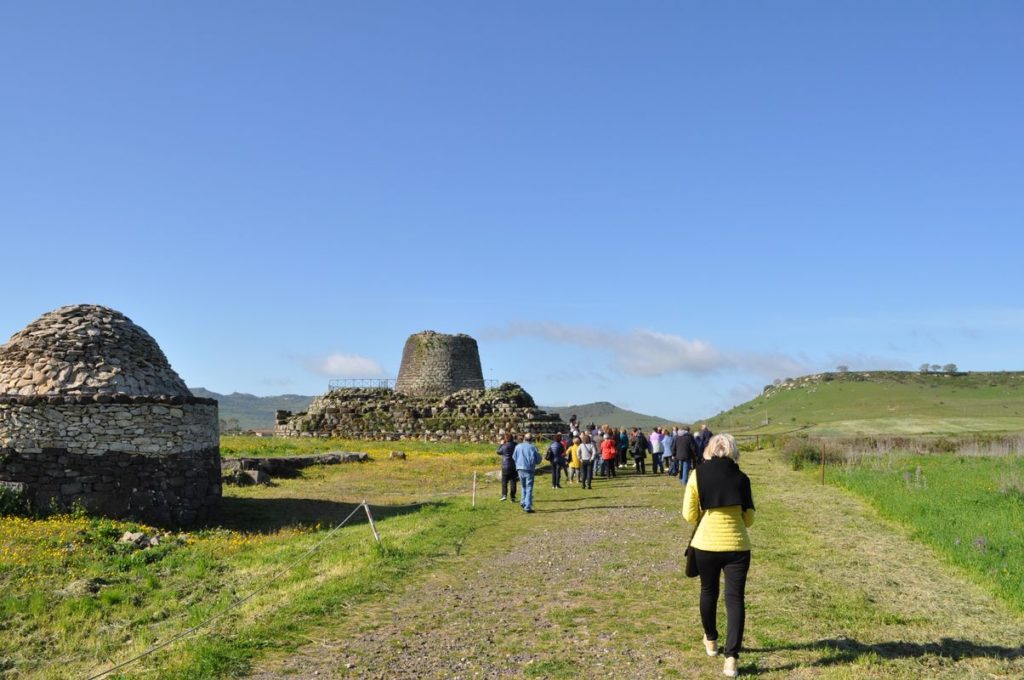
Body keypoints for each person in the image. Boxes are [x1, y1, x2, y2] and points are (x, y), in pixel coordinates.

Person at [682, 434, 755, 678]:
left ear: (709, 450)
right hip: (737, 546)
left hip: (706, 545)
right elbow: (749, 519)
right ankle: (731, 658)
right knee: (735, 600)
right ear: (733, 451)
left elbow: (688, 515)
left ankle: (711, 640)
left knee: (708, 591)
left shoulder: (697, 475)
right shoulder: (742, 478)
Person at [513, 433, 542, 513]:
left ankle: (523, 501)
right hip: (529, 469)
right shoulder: (533, 447)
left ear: (524, 439)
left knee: (523, 486)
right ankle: (527, 506)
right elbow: (538, 460)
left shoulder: (518, 446)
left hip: (520, 468)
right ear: (531, 439)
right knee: (529, 487)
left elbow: (514, 457)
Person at [496, 433, 518, 502]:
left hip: (505, 465)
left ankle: (504, 495)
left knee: (504, 481)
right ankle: (513, 497)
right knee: (513, 481)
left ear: (505, 439)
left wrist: (501, 444)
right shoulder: (516, 445)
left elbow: (498, 452)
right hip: (514, 465)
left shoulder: (504, 446)